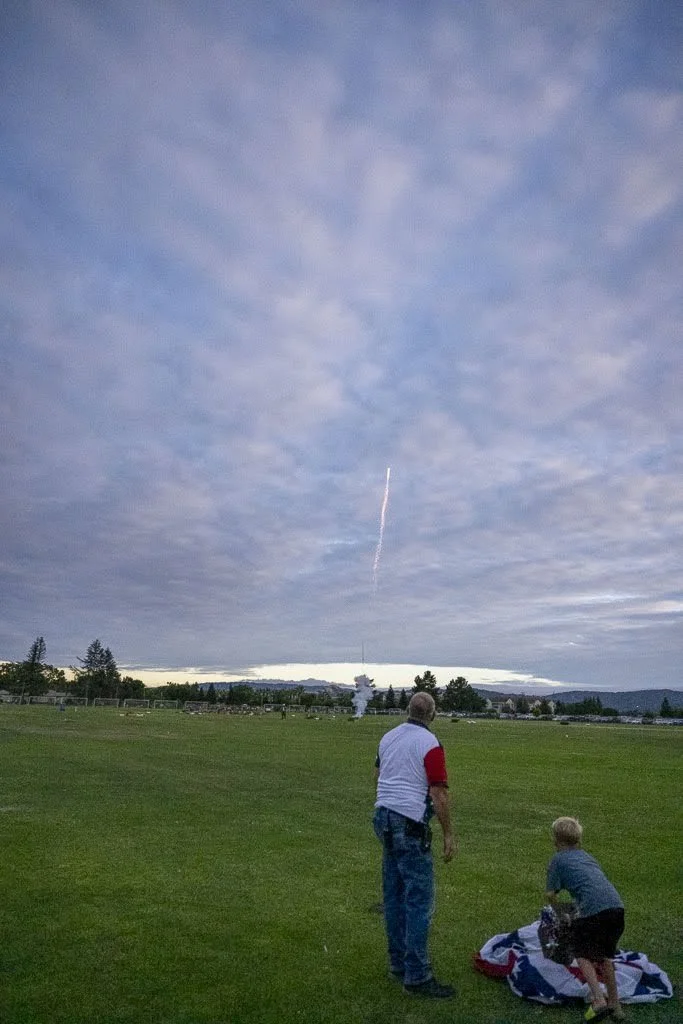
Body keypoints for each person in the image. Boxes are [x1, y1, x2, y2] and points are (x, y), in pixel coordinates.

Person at [373, 691, 456, 998]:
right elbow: (438, 793)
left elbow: (378, 775)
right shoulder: (430, 743)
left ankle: (398, 964)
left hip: (383, 816)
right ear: (432, 714)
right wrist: (448, 834)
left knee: (394, 896)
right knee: (419, 900)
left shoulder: (388, 737)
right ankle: (417, 975)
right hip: (409, 822)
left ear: (408, 710)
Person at [545, 817, 625, 1022]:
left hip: (594, 912)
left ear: (556, 841)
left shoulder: (558, 860)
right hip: (616, 908)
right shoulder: (587, 857)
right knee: (605, 956)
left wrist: (561, 913)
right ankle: (615, 1006)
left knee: (581, 954)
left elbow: (551, 894)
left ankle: (598, 1000)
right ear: (578, 840)